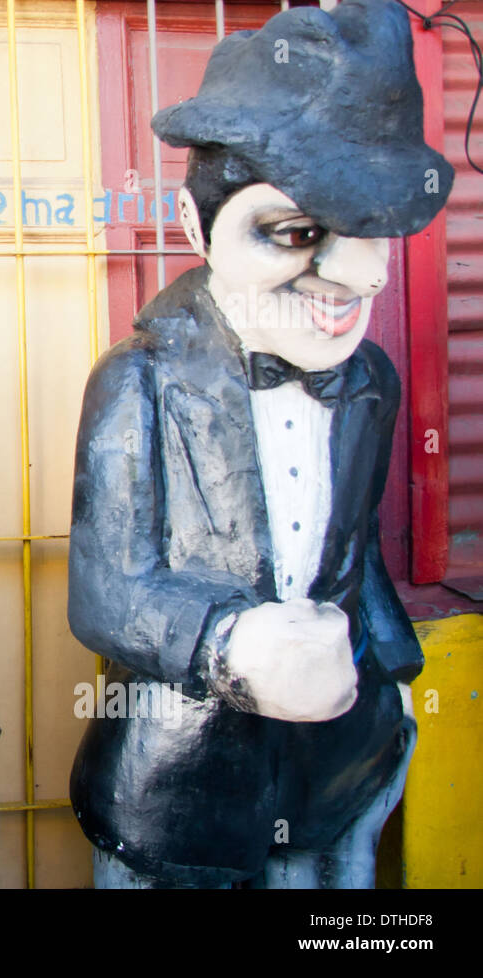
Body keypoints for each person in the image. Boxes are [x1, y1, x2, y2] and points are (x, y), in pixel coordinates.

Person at [67, 0, 449, 888]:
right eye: (297, 232)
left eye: (373, 234)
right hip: (177, 781)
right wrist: (232, 647)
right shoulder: (138, 380)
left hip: (338, 763)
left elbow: (350, 543)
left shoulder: (371, 381)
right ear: (201, 232)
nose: (358, 276)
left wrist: (391, 669)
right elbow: (104, 588)